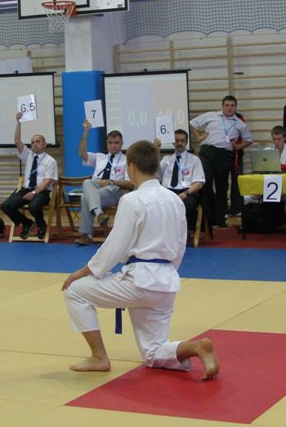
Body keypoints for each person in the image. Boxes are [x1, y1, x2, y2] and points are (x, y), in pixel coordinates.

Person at [61, 140, 219, 379]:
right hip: (166, 283)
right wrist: (168, 273)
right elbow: (180, 245)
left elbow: (115, 246)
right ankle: (196, 347)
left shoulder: (132, 200)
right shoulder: (175, 200)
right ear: (157, 166)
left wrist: (84, 271)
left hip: (139, 281)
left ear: (131, 167)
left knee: (74, 291)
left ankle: (99, 357)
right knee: (153, 353)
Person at [190, 95, 253, 226]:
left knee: (221, 186)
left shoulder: (240, 124)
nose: (229, 108)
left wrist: (238, 146)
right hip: (207, 151)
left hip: (225, 154)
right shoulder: (212, 115)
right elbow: (192, 123)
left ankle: (220, 218)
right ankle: (208, 216)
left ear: (236, 107)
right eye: (227, 105)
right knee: (205, 182)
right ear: (222, 106)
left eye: (232, 106)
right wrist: (198, 136)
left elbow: (249, 139)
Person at [74, 120, 131, 246]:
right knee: (87, 182)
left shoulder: (127, 159)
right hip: (97, 187)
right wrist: (86, 133)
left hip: (114, 190)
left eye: (116, 143)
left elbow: (129, 183)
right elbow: (81, 153)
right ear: (106, 143)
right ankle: (99, 214)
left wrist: (111, 181)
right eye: (110, 143)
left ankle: (86, 235)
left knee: (85, 197)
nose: (113, 146)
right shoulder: (99, 157)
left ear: (121, 144)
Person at [1, 111, 58, 239]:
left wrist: (34, 193)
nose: (35, 144)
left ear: (44, 144)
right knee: (6, 206)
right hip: (26, 189)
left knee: (34, 206)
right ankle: (27, 223)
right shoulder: (28, 155)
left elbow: (48, 181)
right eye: (32, 142)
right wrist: (18, 122)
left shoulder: (50, 161)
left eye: (38, 141)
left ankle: (41, 226)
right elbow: (17, 141)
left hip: (41, 192)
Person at [154, 129, 205, 237]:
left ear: (187, 142)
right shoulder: (166, 159)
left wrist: (186, 193)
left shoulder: (195, 160)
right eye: (177, 141)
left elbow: (199, 183)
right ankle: (163, 235)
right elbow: (156, 175)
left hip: (187, 192)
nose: (179, 143)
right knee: (157, 203)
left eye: (182, 141)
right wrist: (157, 151)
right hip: (168, 192)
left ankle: (183, 235)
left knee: (188, 204)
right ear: (173, 142)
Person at [244, 126, 286, 218]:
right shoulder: (267, 151)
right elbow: (259, 166)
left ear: (284, 138)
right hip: (268, 184)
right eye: (274, 139)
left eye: (279, 139)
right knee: (247, 197)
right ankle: (258, 217)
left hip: (285, 186)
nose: (276, 142)